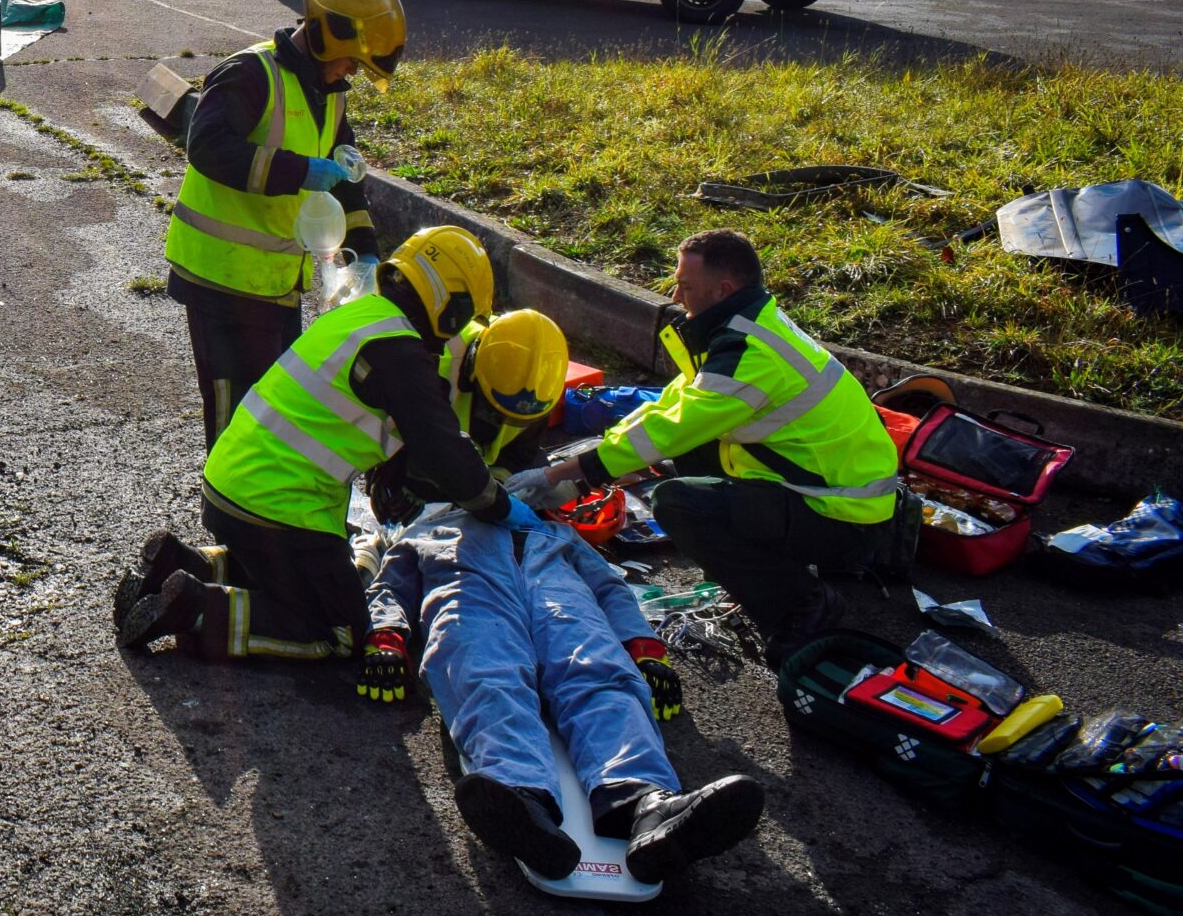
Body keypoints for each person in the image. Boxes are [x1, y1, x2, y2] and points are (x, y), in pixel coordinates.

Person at [116, 226, 534, 702]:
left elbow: (377, 423)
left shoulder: (363, 319)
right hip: (280, 508)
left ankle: (180, 565)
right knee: (340, 631)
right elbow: (444, 452)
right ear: (452, 305)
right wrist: (499, 505)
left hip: (232, 487)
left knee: (287, 579)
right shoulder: (402, 352)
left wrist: (394, 476)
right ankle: (197, 611)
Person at [538, 230, 902, 664]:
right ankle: (767, 564)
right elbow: (677, 404)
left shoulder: (751, 353)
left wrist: (571, 474)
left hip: (846, 517)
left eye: (685, 286)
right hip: (833, 489)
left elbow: (673, 428)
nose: (676, 294)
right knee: (688, 454)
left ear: (723, 289)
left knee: (677, 503)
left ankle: (805, 605)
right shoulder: (744, 326)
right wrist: (596, 455)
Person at [365, 504, 764, 883]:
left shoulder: (557, 532)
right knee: (488, 677)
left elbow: (610, 588)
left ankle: (647, 805)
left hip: (562, 600)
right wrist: (385, 638)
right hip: (470, 594)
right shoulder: (425, 531)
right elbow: (390, 586)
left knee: (600, 676)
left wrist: (645, 649)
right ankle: (521, 796)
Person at [163, 0, 404, 446]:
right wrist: (299, 172)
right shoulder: (250, 74)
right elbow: (207, 148)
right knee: (236, 416)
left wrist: (367, 255)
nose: (351, 72)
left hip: (276, 284)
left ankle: (259, 508)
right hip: (220, 278)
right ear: (324, 35)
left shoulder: (328, 97)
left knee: (276, 409)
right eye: (351, 61)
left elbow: (346, 187)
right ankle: (226, 512)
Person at [367, 308, 570, 528]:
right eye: (496, 411)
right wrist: (386, 472)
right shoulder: (434, 361)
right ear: (474, 370)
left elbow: (521, 452)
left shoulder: (539, 391)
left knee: (535, 476)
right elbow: (390, 421)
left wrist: (498, 485)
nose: (503, 422)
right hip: (424, 448)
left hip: (475, 464)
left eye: (516, 419)